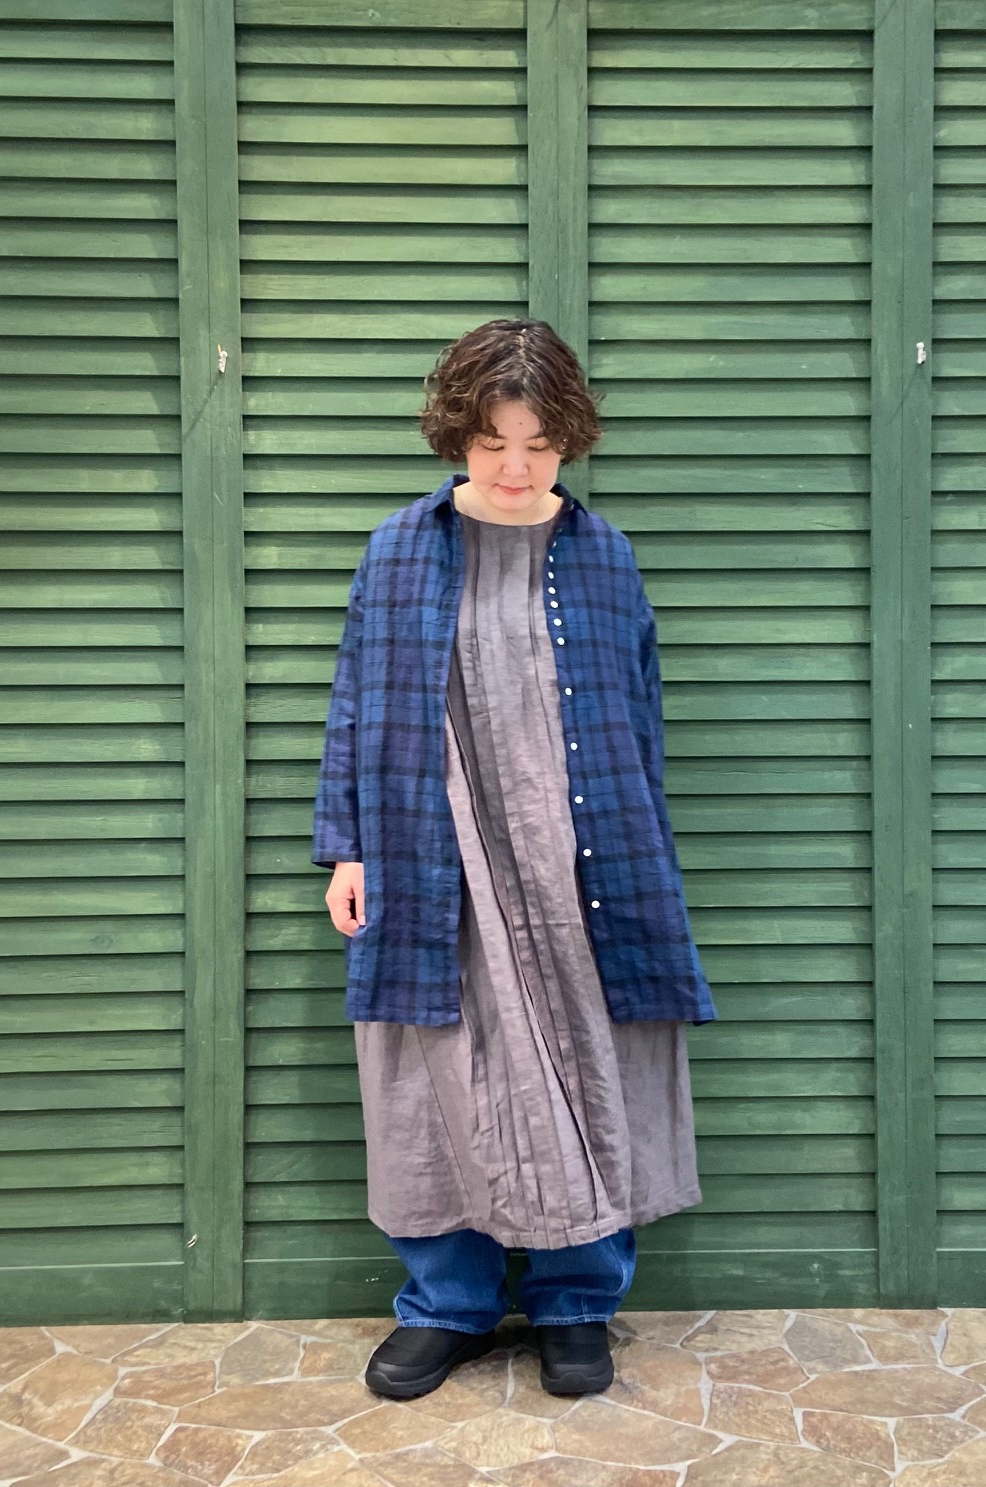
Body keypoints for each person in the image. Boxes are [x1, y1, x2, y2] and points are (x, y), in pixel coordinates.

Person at [311, 318, 716, 1402]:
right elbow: (353, 704)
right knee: (432, 1076)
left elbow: (638, 717)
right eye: (492, 442)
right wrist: (344, 846)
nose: (514, 466)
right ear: (457, 433)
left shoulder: (604, 556)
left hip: (578, 867)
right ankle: (445, 1304)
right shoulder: (398, 549)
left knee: (588, 1063)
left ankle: (577, 1301)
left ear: (568, 438)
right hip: (428, 855)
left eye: (537, 443)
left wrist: (634, 851)